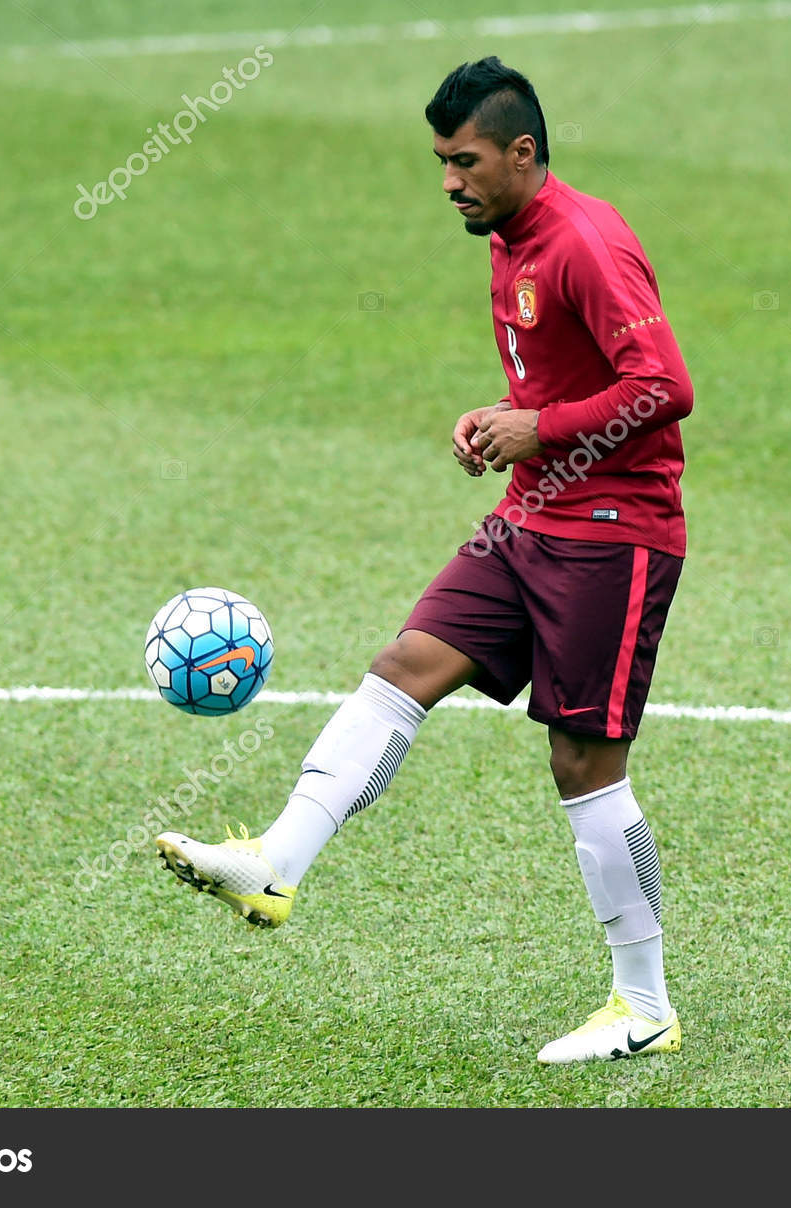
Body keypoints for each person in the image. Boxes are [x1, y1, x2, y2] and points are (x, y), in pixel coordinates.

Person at [156, 56, 694, 1064]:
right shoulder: (508, 234)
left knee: (582, 763)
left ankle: (643, 1003)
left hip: (613, 531)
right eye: (440, 162)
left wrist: (542, 426)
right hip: (529, 515)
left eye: (465, 161)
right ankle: (274, 862)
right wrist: (498, 424)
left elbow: (662, 385)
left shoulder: (584, 241)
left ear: (521, 153)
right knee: (405, 665)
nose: (448, 181)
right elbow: (553, 379)